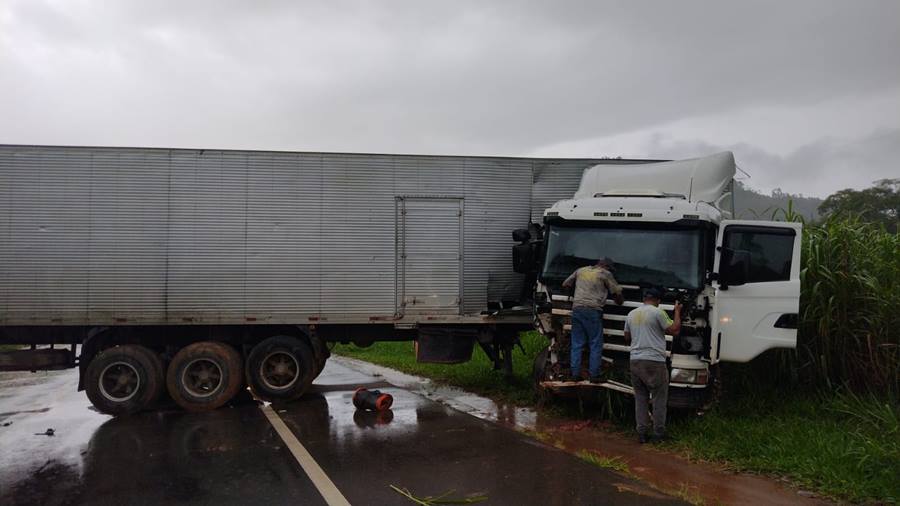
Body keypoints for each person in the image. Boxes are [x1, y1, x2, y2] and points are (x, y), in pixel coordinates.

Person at [624, 288, 681, 443]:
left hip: (635, 361)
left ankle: (641, 433)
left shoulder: (631, 314)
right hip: (654, 361)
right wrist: (677, 311)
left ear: (644, 298)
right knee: (658, 398)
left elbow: (627, 338)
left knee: (641, 398)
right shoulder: (658, 312)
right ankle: (658, 434)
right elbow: (674, 330)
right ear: (658, 300)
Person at [562, 257, 624, 383]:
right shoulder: (605, 274)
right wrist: (620, 300)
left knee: (577, 343)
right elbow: (617, 294)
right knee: (595, 343)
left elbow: (566, 284)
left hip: (577, 309)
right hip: (592, 311)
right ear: (606, 266)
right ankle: (594, 375)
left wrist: (574, 295)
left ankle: (575, 374)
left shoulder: (581, 270)